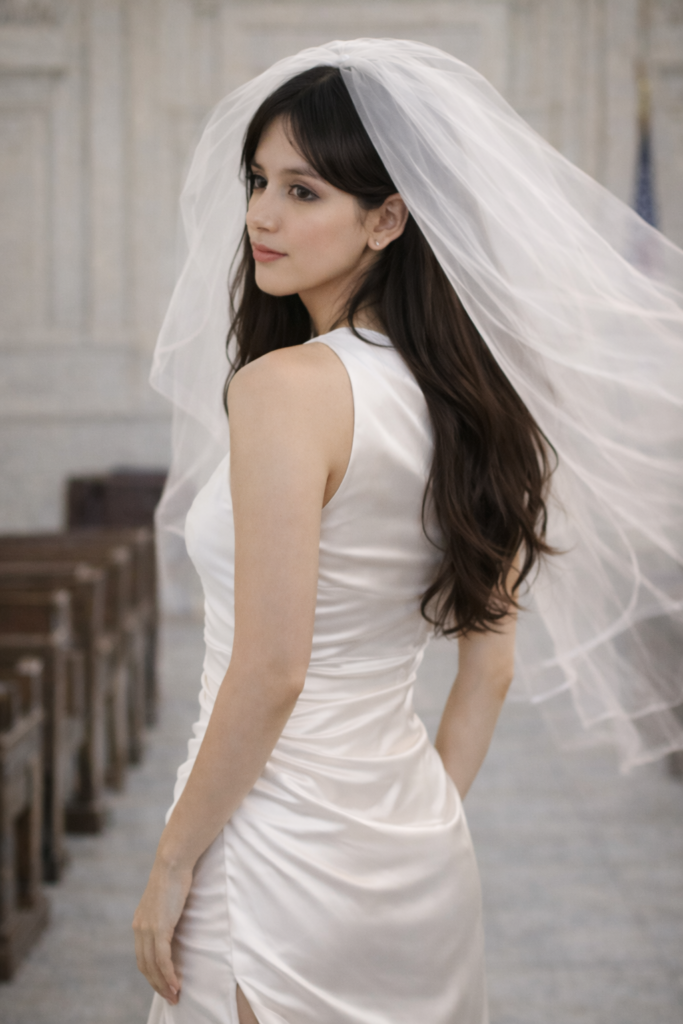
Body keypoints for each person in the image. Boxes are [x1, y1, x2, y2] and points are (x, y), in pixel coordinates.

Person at [134, 39, 683, 1024]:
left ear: (387, 217)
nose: (261, 214)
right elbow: (490, 668)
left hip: (270, 852)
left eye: (303, 192)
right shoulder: (476, 405)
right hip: (413, 847)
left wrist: (172, 858)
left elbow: (271, 669)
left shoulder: (283, 390)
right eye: (257, 181)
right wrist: (417, 820)